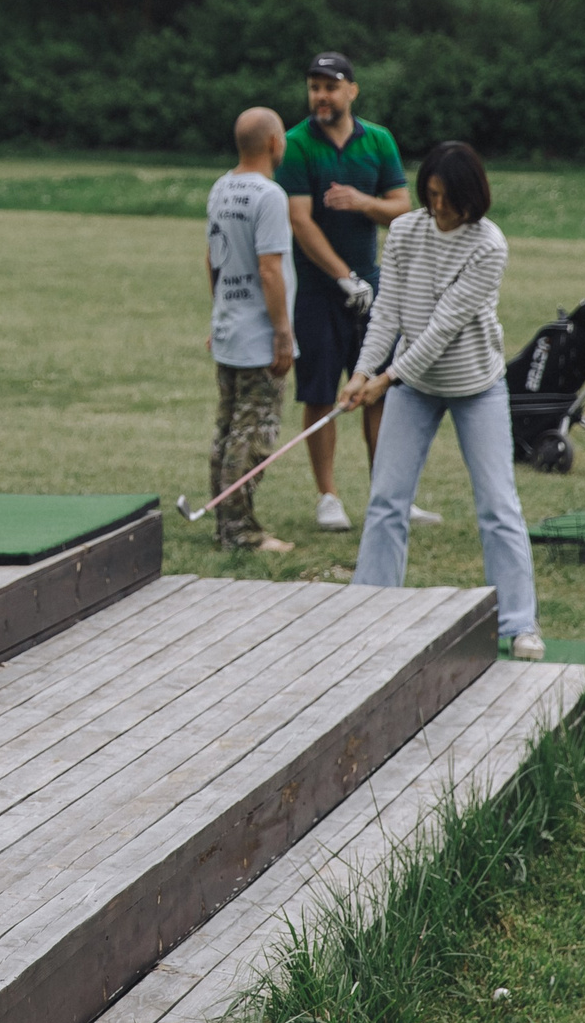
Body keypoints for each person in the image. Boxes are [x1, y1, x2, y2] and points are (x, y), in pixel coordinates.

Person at [338, 142, 544, 660]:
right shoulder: (406, 230)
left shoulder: (488, 245)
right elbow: (387, 310)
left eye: (448, 199)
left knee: (498, 505)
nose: (438, 208)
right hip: (415, 388)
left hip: (476, 385)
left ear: (472, 198)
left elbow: (443, 329)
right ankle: (369, 608)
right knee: (387, 499)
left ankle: (519, 624)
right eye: (430, 195)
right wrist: (362, 370)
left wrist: (386, 379)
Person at [278, 52, 431, 532]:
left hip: (376, 287)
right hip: (318, 291)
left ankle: (389, 496)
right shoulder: (297, 144)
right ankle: (328, 497)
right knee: (321, 392)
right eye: (314, 87)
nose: (321, 96)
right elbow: (298, 219)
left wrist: (363, 202)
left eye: (330, 86)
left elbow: (403, 207)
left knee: (378, 391)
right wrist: (344, 276)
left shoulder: (379, 140)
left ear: (352, 91)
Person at [201, 107, 297, 552]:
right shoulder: (269, 195)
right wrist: (283, 332)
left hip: (228, 327)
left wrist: (219, 311)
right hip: (259, 336)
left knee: (226, 429)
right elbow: (270, 269)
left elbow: (212, 258)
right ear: (275, 143)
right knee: (253, 434)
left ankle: (224, 522)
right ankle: (241, 533)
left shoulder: (221, 188)